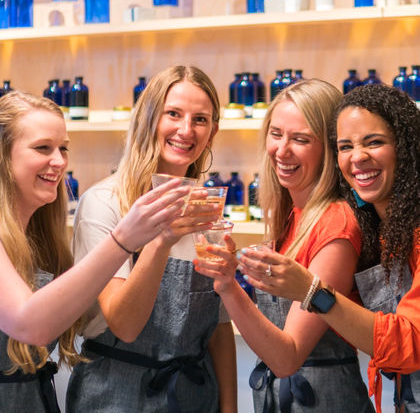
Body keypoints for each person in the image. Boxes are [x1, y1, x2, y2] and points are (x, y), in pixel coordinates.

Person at [0, 91, 191, 413]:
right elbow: (29, 324)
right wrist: (122, 241)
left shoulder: (38, 237)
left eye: (63, 148)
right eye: (42, 148)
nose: (59, 161)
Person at [235, 84, 420, 413]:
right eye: (346, 145)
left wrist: (310, 290)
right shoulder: (386, 229)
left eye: (374, 142)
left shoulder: (340, 223)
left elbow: (407, 342)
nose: (358, 157)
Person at [194, 79, 374, 412]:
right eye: (276, 134)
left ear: (330, 148)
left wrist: (229, 286)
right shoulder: (293, 215)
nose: (282, 150)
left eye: (301, 139)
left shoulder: (336, 224)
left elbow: (286, 357)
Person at [66, 65, 237, 413]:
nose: (186, 130)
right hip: (115, 395)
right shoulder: (105, 203)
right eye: (173, 113)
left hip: (194, 395)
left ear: (213, 131)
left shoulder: (207, 210)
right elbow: (125, 326)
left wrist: (229, 408)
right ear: (148, 118)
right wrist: (162, 241)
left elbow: (218, 326)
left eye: (200, 119)